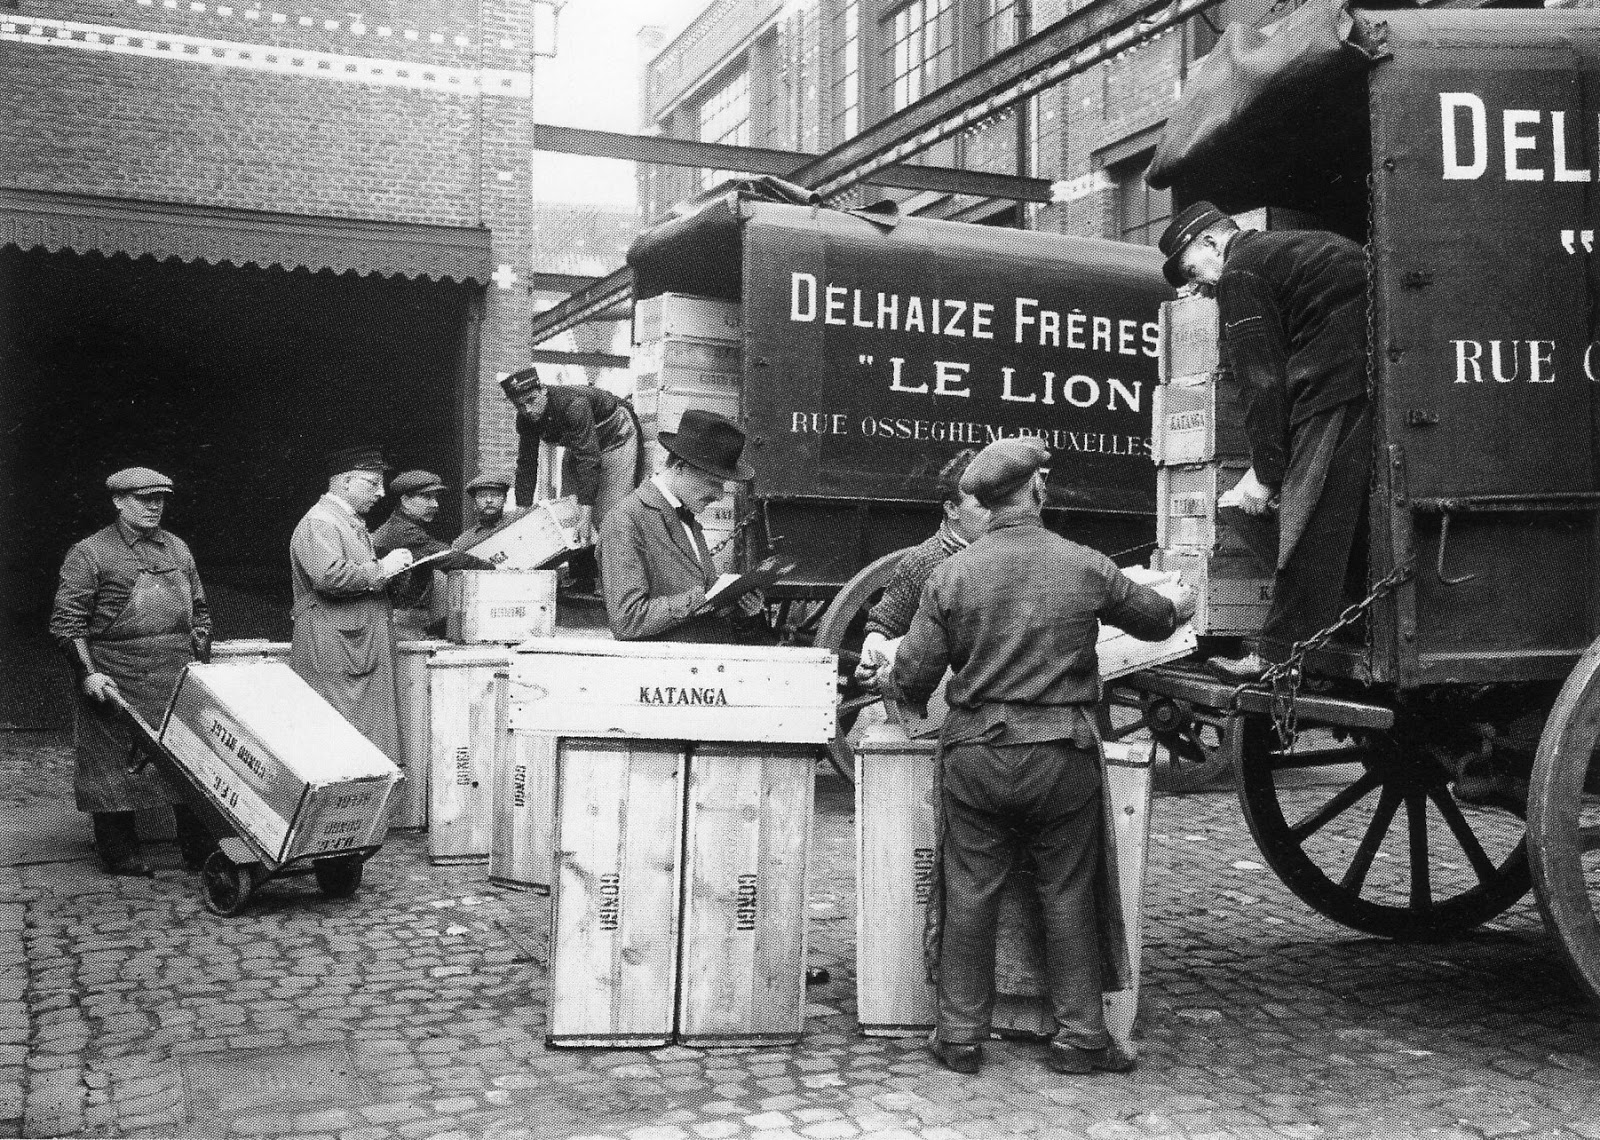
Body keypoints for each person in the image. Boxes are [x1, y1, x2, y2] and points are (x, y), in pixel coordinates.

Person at [884, 437, 1195, 1076]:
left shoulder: (951, 574)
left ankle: (959, 1038)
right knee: (1068, 892)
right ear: (1037, 490)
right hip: (1061, 757)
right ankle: (1081, 1038)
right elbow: (1157, 622)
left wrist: (909, 707)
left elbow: (912, 675)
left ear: (984, 500)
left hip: (974, 756)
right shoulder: (1083, 564)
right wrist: (1182, 603)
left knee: (969, 889)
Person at [1158, 201, 1371, 680]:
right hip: (1361, 382)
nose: (1198, 287)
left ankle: (1280, 657)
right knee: (1335, 517)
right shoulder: (1285, 251)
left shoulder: (1240, 274)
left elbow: (1261, 381)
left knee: (1306, 520)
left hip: (1331, 389)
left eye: (1192, 271)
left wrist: (1266, 474)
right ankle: (1351, 627)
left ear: (1212, 242)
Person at [49, 467, 215, 876]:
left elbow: (200, 612)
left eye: (159, 499)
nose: (154, 506)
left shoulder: (178, 549)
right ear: (118, 502)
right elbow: (67, 624)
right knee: (112, 766)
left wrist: (200, 658)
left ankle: (199, 850)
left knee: (188, 764)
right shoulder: (90, 553)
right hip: (115, 679)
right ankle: (119, 852)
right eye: (144, 499)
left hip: (175, 677)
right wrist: (88, 674)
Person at [288, 446, 415, 759]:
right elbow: (329, 577)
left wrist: (393, 572)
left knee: (360, 747)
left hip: (352, 650)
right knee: (336, 746)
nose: (381, 492)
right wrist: (382, 569)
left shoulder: (346, 522)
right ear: (345, 482)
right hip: (337, 651)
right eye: (372, 483)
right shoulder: (321, 522)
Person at [599, 409, 762, 643]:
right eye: (713, 483)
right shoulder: (625, 520)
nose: (718, 495)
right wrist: (703, 598)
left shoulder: (687, 518)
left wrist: (743, 611)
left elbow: (703, 611)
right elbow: (627, 620)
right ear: (679, 467)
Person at [501, 367, 643, 593]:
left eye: (531, 400)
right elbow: (526, 463)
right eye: (520, 405)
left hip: (615, 437)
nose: (527, 409)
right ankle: (583, 579)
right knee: (569, 508)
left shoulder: (573, 405)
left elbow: (589, 460)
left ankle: (616, 585)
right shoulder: (525, 418)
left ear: (543, 390)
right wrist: (521, 512)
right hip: (581, 442)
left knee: (610, 511)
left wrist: (587, 514)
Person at [853, 449, 986, 687]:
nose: (993, 514)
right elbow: (887, 623)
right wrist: (871, 658)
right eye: (981, 506)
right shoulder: (923, 561)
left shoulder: (1012, 554)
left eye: (997, 503)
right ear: (952, 509)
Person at [371, 470, 491, 639]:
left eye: (435, 498)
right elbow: (448, 558)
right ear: (405, 500)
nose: (435, 504)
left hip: (402, 620)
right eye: (427, 497)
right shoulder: (404, 531)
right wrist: (493, 569)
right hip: (401, 623)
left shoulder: (401, 526)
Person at [451, 470, 523, 553]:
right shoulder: (464, 542)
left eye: (495, 495)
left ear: (505, 499)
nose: (489, 500)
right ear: (475, 502)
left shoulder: (518, 523)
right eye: (482, 496)